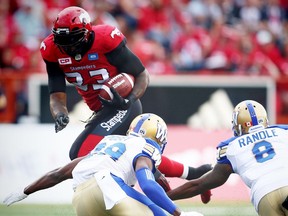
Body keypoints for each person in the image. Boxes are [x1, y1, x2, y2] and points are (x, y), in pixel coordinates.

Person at [39, 5, 212, 195]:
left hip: (122, 106)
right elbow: (56, 95)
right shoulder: (52, 50)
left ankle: (123, 195)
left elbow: (142, 75)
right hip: (101, 111)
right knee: (130, 152)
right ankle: (191, 173)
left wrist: (127, 100)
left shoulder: (105, 39)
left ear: (86, 34)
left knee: (80, 155)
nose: (67, 46)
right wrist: (60, 113)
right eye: (62, 41)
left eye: (72, 40)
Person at [3, 113, 204, 216]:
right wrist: (178, 213)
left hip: (81, 200)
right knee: (157, 212)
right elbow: (148, 185)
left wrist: (25, 191)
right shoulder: (146, 146)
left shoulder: (108, 144)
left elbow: (58, 173)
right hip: (108, 188)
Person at [167, 100, 288, 216]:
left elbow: (200, 184)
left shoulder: (231, 147)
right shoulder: (283, 132)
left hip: (263, 194)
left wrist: (165, 197)